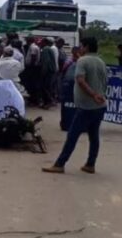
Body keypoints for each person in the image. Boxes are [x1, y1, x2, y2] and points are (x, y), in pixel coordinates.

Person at [43, 37, 107, 174]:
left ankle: (60, 164)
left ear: (87, 47)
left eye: (82, 46)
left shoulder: (82, 61)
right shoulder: (101, 62)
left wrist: (93, 94)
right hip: (99, 106)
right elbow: (105, 82)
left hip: (87, 106)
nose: (80, 49)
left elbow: (80, 80)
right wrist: (99, 95)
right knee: (93, 136)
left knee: (72, 136)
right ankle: (90, 164)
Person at [60, 46, 81, 131]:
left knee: (68, 106)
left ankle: (66, 124)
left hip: (68, 85)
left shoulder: (74, 62)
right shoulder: (71, 62)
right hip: (70, 85)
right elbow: (64, 70)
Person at [23, 36, 41, 106]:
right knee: (32, 84)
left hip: (32, 68)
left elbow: (33, 57)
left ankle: (33, 101)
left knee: (32, 85)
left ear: (29, 41)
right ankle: (33, 100)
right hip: (32, 67)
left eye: (26, 40)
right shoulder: (33, 46)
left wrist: (30, 67)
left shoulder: (33, 47)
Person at [40, 38, 57, 109]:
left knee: (45, 87)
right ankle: (46, 102)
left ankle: (49, 102)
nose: (40, 44)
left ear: (44, 42)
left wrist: (43, 71)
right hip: (51, 71)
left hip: (48, 71)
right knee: (48, 87)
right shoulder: (49, 49)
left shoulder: (45, 49)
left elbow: (46, 61)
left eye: (41, 43)